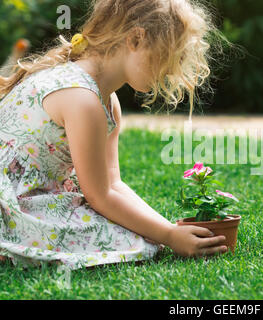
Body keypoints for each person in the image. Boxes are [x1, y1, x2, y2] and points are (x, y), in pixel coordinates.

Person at [0, 0, 229, 270]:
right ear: (135, 39)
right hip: (12, 205)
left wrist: (168, 231)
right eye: (168, 56)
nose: (171, 70)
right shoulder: (82, 99)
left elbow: (113, 183)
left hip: (36, 195)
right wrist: (167, 236)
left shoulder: (106, 100)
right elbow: (100, 196)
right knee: (129, 240)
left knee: (139, 234)